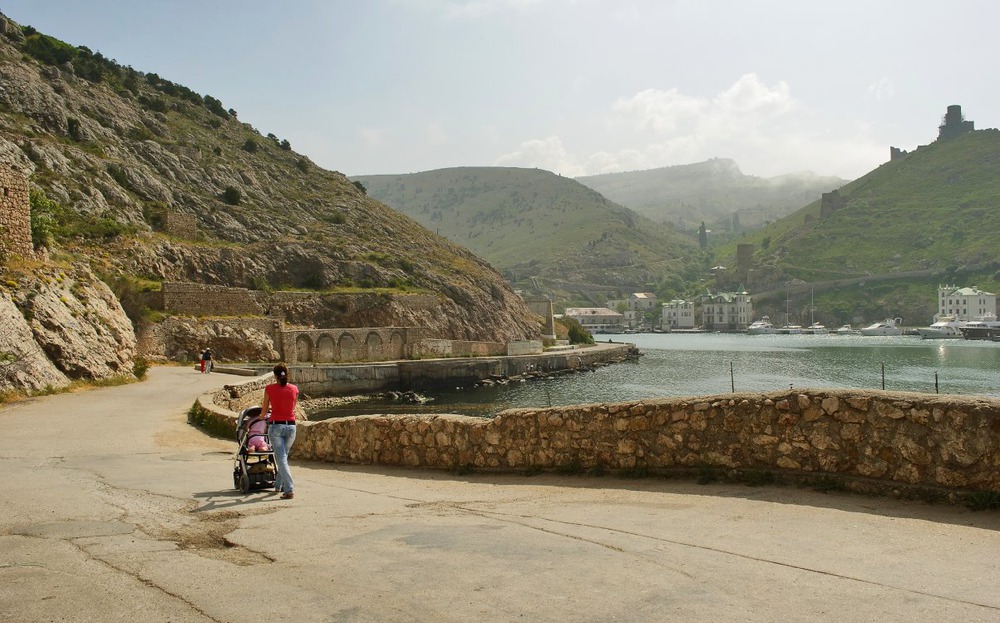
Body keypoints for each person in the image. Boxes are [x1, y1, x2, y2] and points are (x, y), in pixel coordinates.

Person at [260, 363, 299, 499]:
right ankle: (278, 485)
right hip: (291, 427)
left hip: (276, 426)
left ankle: (289, 489)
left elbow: (264, 409)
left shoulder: (269, 388)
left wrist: (260, 417)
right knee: (283, 457)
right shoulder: (294, 389)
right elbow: (293, 407)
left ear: (275, 375)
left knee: (281, 458)